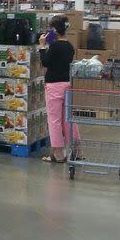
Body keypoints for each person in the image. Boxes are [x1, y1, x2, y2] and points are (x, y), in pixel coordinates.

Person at [39, 14, 79, 163]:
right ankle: (77, 150)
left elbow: (45, 62)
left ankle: (58, 154)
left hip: (54, 86)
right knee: (68, 119)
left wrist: (42, 46)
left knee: (54, 120)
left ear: (54, 31)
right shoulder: (69, 47)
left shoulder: (55, 47)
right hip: (66, 85)